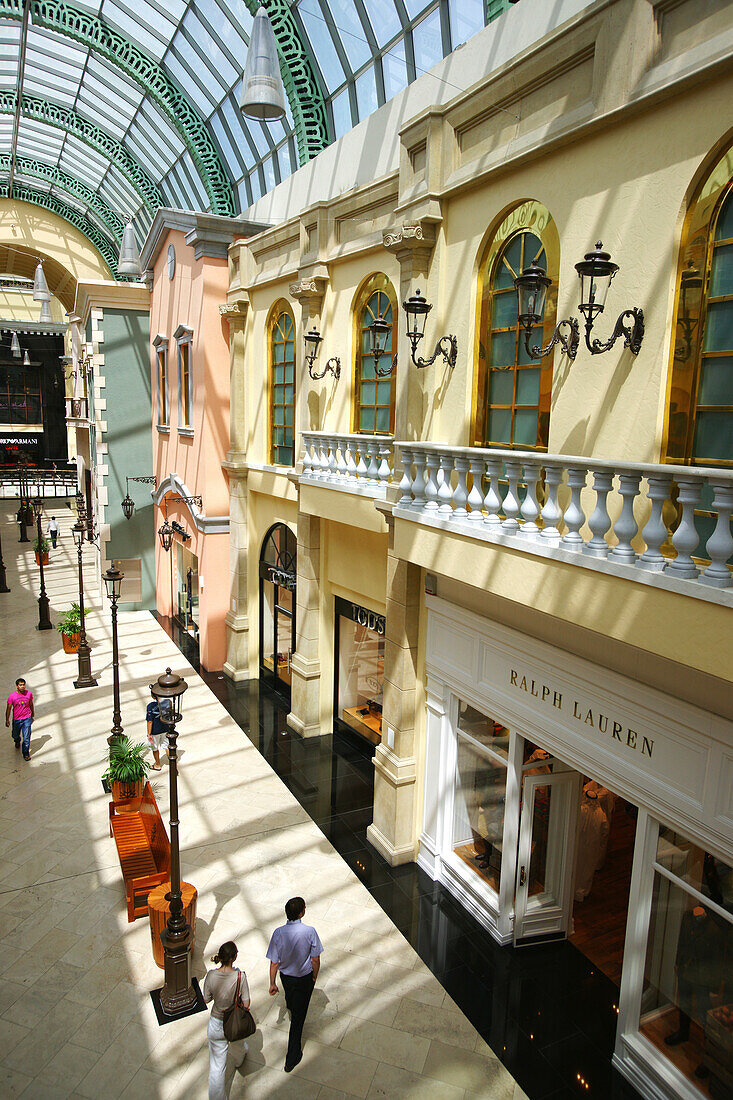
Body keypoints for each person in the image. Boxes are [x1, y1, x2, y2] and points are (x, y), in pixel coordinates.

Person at [267, 897, 323, 1072]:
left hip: (286, 977)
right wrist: (315, 976)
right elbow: (315, 958)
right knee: (298, 1020)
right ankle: (292, 1056)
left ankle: (291, 1005)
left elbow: (274, 962)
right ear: (302, 912)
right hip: (304, 977)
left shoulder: (278, 933)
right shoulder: (309, 932)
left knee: (291, 997)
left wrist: (272, 982)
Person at [203, 941, 250, 1100]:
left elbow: (206, 999)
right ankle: (239, 1059)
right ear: (234, 957)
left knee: (217, 1068)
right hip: (234, 1022)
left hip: (216, 1024)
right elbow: (246, 1002)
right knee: (237, 1042)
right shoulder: (240, 977)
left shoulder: (211, 976)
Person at [5, 677, 34, 761]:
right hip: (17, 719)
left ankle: (26, 753)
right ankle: (17, 740)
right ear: (17, 686)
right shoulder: (12, 696)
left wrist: (32, 713)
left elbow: (31, 703)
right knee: (15, 734)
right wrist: (7, 719)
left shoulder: (29, 694)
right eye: (20, 685)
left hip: (27, 718)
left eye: (23, 685)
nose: (22, 686)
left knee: (27, 737)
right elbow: (9, 708)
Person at [146, 687, 170, 770]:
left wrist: (149, 733)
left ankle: (157, 764)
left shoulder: (150, 706)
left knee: (154, 748)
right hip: (165, 728)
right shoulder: (167, 703)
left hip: (154, 731)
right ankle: (172, 762)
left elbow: (149, 721)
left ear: (152, 696)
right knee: (167, 746)